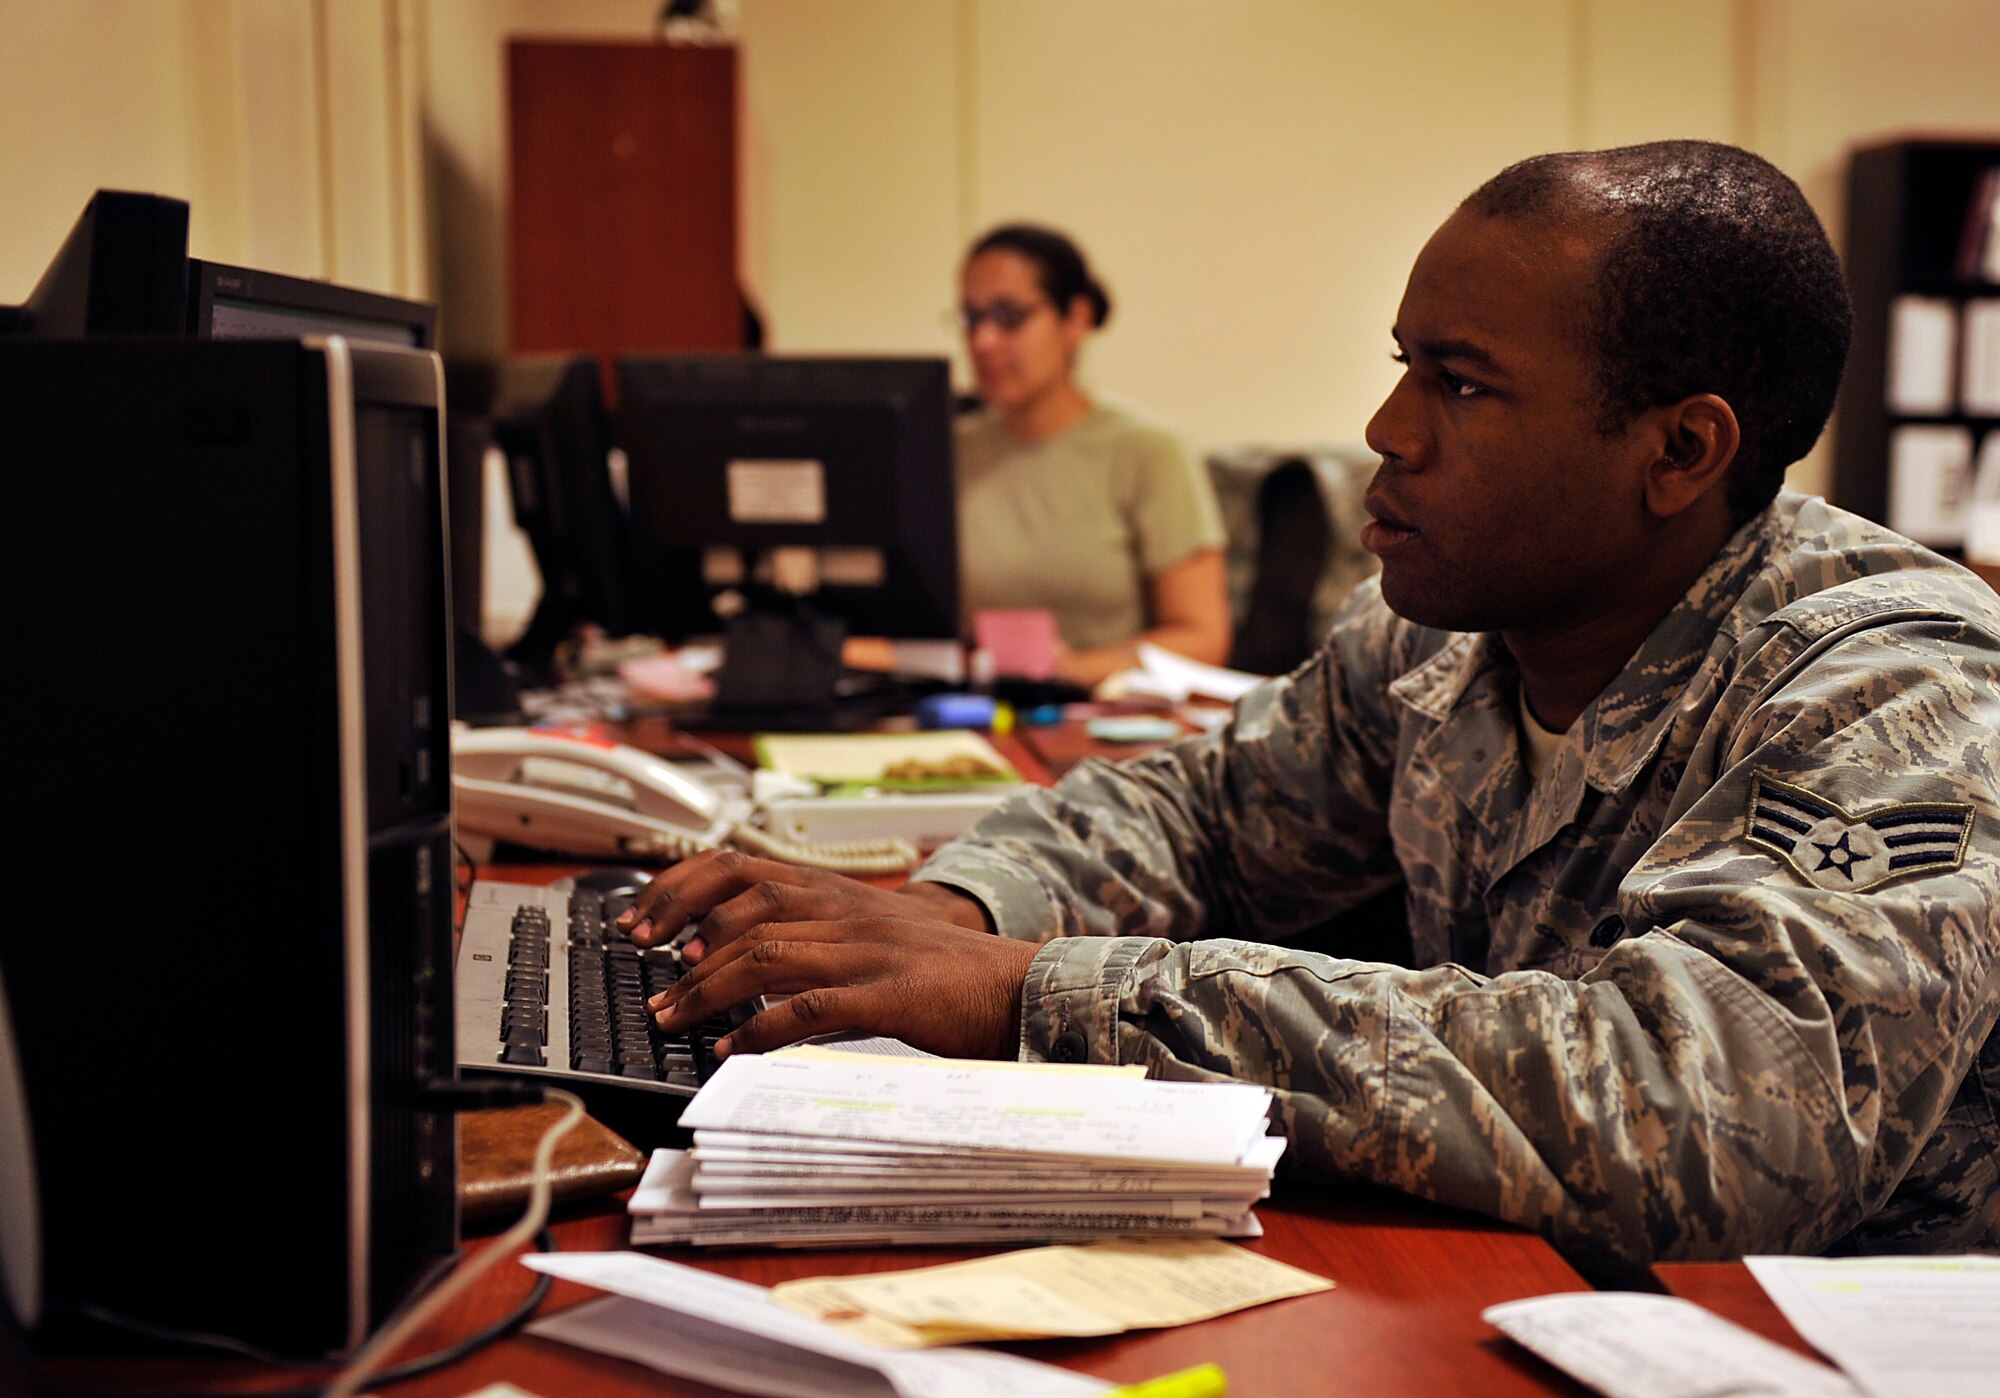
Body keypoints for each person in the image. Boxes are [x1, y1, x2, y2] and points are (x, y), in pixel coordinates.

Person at [622, 141, 2000, 1276]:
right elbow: (1206, 816)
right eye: (1405, 364)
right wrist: (964, 910)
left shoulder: (1895, 689)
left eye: (1459, 383)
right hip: (1541, 1292)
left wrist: (1041, 992)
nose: (1388, 429)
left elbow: (1710, 1118)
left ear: (1681, 450)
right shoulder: (1434, 634)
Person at [952, 223, 1231, 688]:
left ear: (1076, 320)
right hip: (975, 709)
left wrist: (1070, 669)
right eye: (971, 318)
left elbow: (1202, 637)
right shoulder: (951, 451)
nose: (983, 341)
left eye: (1008, 317)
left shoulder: (1148, 450)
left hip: (1104, 718)